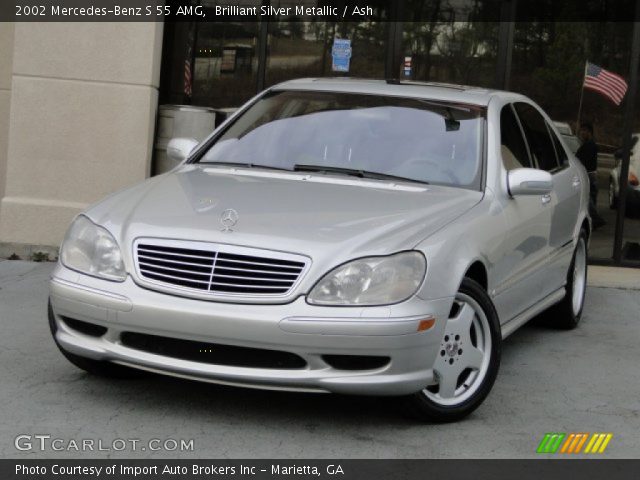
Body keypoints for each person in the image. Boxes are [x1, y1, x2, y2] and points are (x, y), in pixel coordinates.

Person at [576, 122, 606, 229]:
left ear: (589, 132)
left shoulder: (590, 145)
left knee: (587, 199)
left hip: (588, 175)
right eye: (581, 131)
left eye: (584, 131)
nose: (582, 133)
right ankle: (592, 221)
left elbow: (583, 161)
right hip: (590, 175)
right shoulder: (587, 145)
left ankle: (596, 219)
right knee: (590, 200)